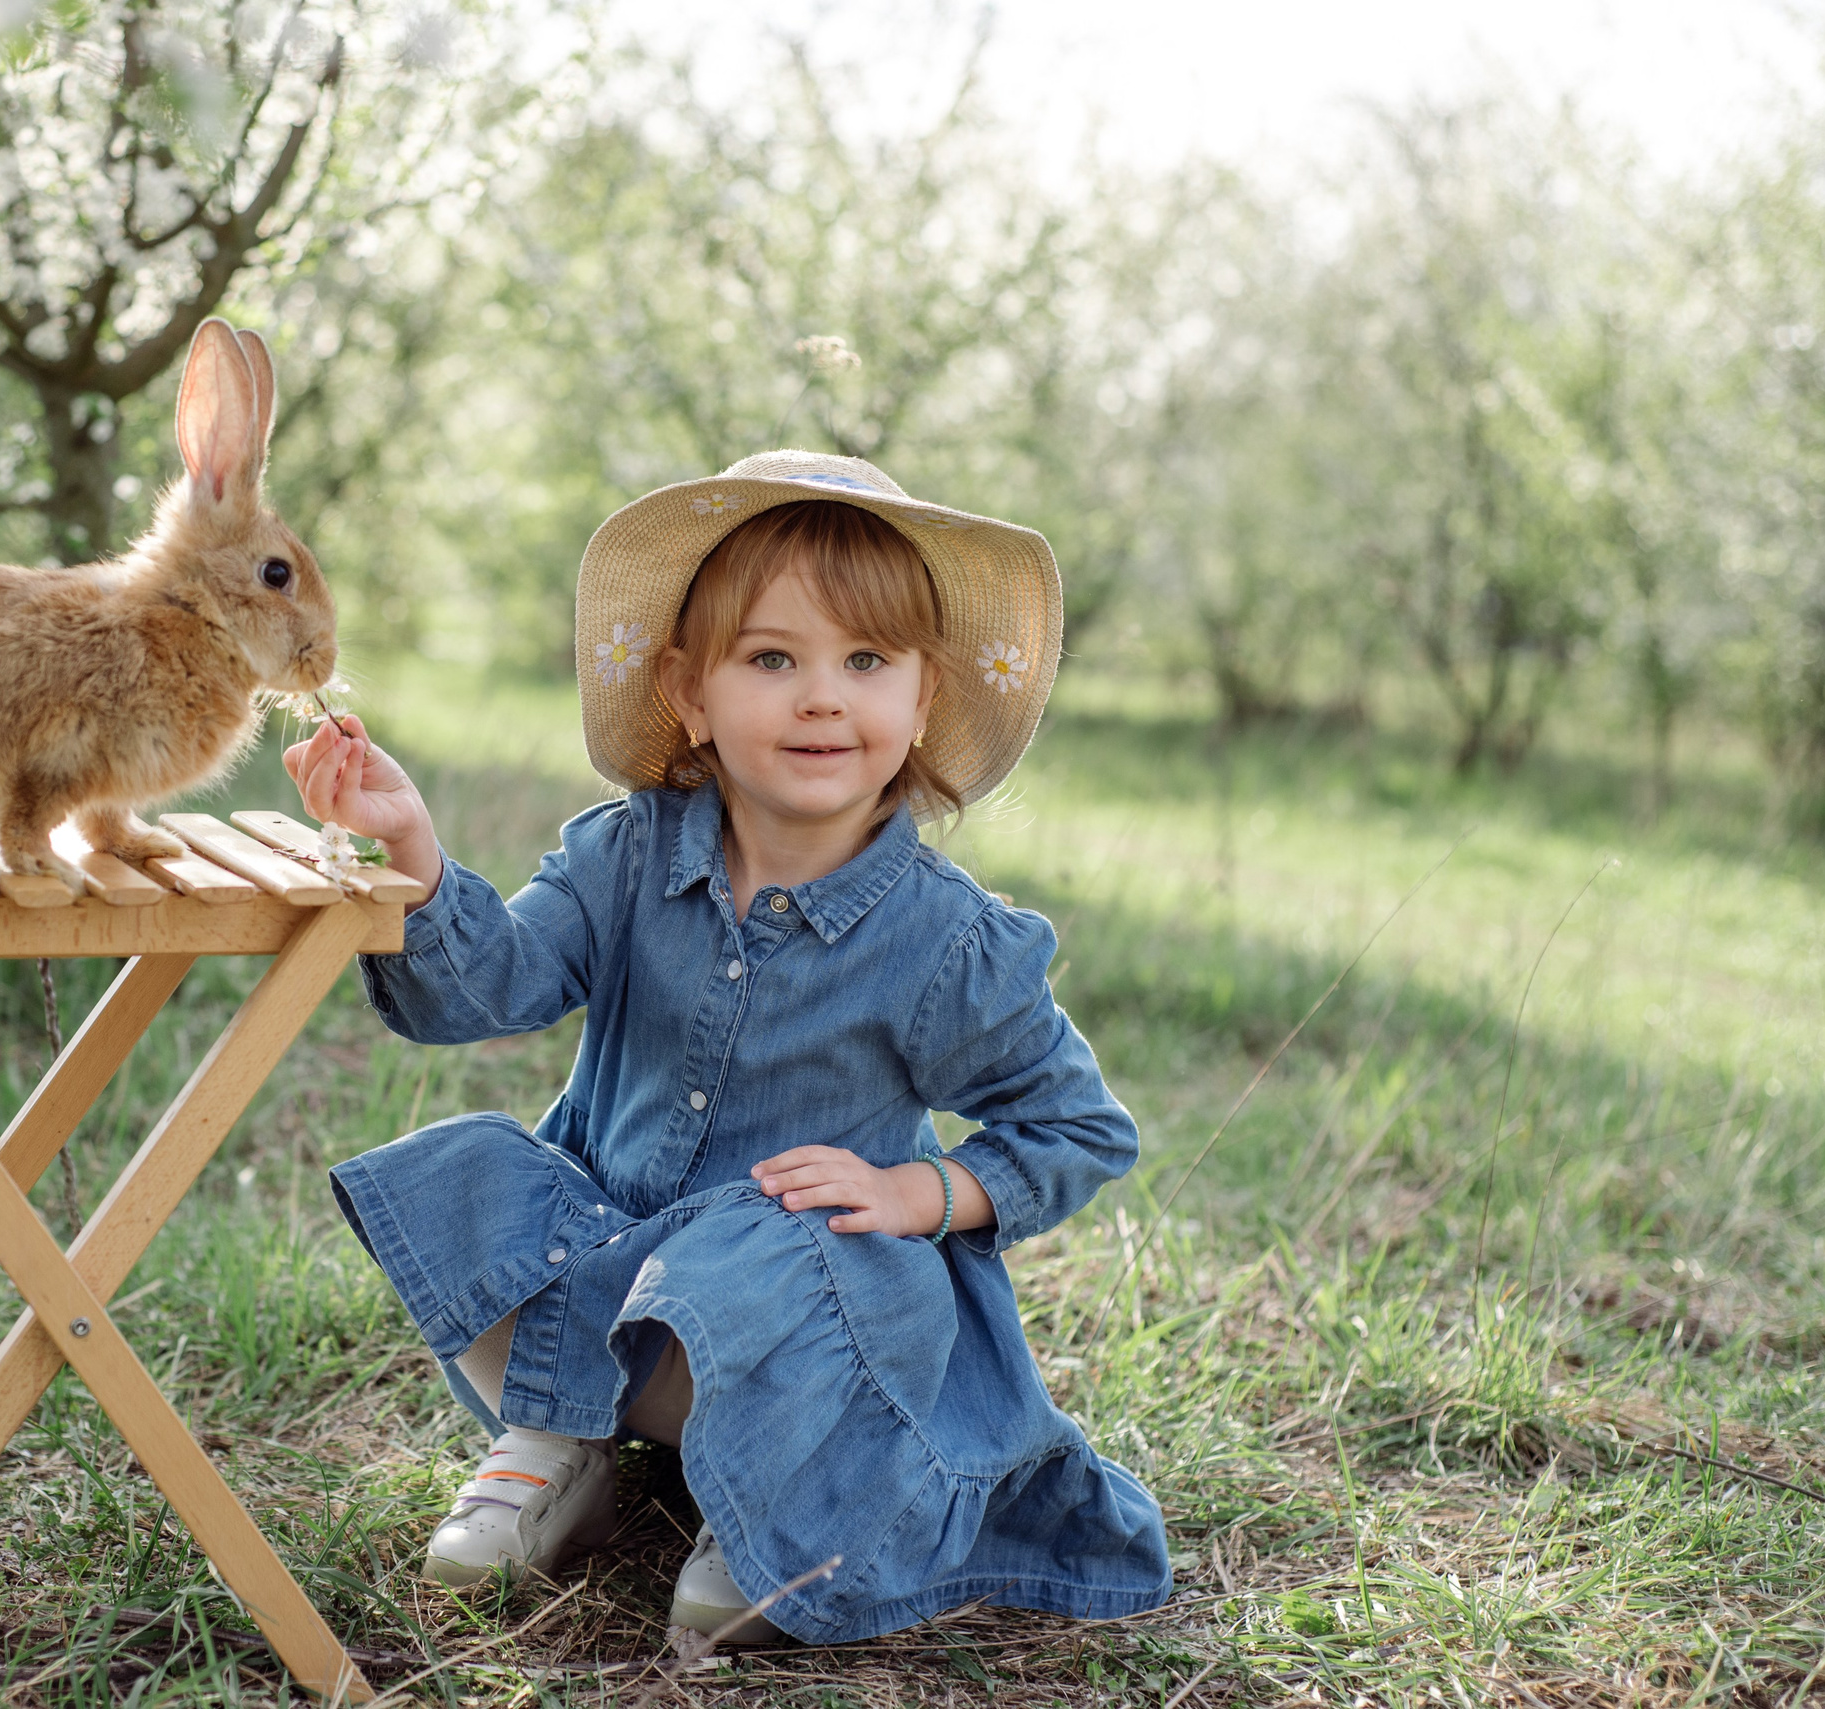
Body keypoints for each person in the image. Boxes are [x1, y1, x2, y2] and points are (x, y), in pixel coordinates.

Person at [283, 451, 1172, 1645]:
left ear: (921, 698)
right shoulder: (624, 859)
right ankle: (563, 1437)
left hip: (797, 1319)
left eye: (866, 661)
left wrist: (921, 1190)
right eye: (771, 658)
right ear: (688, 692)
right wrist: (414, 854)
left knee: (765, 1237)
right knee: (464, 1170)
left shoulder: (944, 940)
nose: (821, 696)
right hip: (615, 1295)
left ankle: (782, 1496)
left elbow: (1078, 1128)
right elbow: (478, 991)